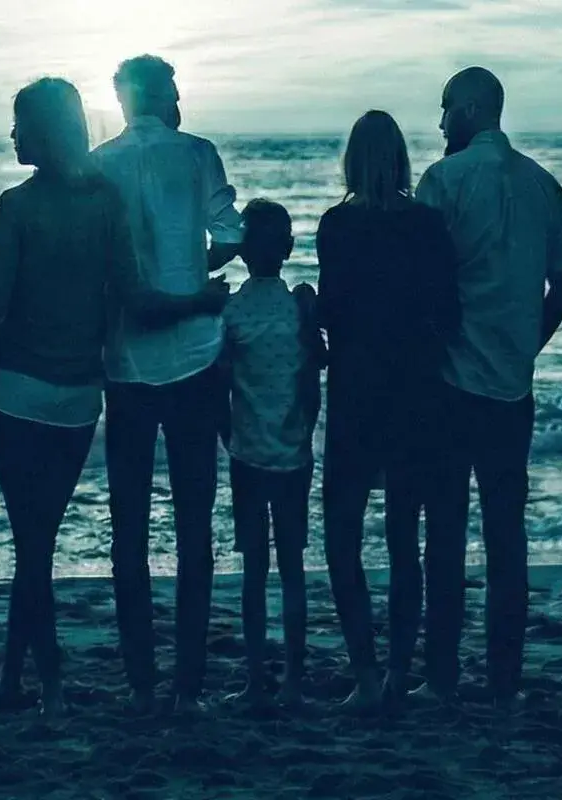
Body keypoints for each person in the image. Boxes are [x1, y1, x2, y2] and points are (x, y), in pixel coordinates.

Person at [0, 78, 136, 717]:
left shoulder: (16, 205)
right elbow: (125, 291)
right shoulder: (106, 200)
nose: (11, 135)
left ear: (41, 131)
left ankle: (50, 682)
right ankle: (12, 675)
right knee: (38, 541)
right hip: (78, 395)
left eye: (18, 124)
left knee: (31, 544)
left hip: (15, 392)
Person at [415, 67, 562, 708]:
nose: (440, 122)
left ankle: (442, 675)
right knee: (507, 535)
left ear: (471, 108)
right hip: (513, 385)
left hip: (452, 382)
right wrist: (527, 345)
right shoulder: (543, 184)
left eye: (446, 108)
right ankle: (504, 678)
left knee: (445, 532)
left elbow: (424, 283)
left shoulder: (444, 180)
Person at [92, 54, 243, 715]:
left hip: (125, 362)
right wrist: (191, 273)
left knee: (127, 526)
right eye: (175, 91)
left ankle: (140, 681)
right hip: (195, 359)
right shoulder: (199, 153)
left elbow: (98, 262)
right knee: (193, 524)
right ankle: (187, 685)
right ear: (158, 95)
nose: (182, 101)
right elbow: (232, 234)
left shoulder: (98, 165)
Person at [316, 111, 461, 713]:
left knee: (343, 532)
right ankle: (401, 669)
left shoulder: (337, 225)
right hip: (415, 390)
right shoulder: (426, 223)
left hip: (356, 388)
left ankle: (367, 674)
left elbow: (333, 311)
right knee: (405, 535)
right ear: (401, 161)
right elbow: (448, 312)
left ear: (352, 161)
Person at [221, 199, 324, 711]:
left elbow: (220, 388)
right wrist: (305, 431)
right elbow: (313, 383)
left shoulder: (231, 313)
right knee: (292, 568)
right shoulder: (299, 309)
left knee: (255, 572)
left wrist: (229, 436)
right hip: (293, 456)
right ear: (289, 248)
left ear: (241, 252)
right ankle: (293, 682)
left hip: (247, 454)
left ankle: (256, 681)